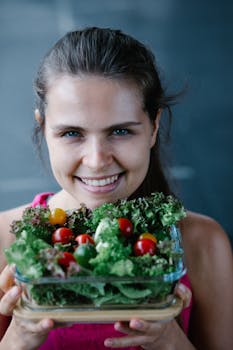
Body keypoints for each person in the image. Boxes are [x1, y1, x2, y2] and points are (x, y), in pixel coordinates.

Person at [0, 27, 232, 350]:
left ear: (153, 128)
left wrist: (171, 342)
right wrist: (17, 340)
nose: (96, 161)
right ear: (44, 128)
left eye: (121, 131)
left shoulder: (205, 245)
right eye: (71, 133)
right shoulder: (4, 238)